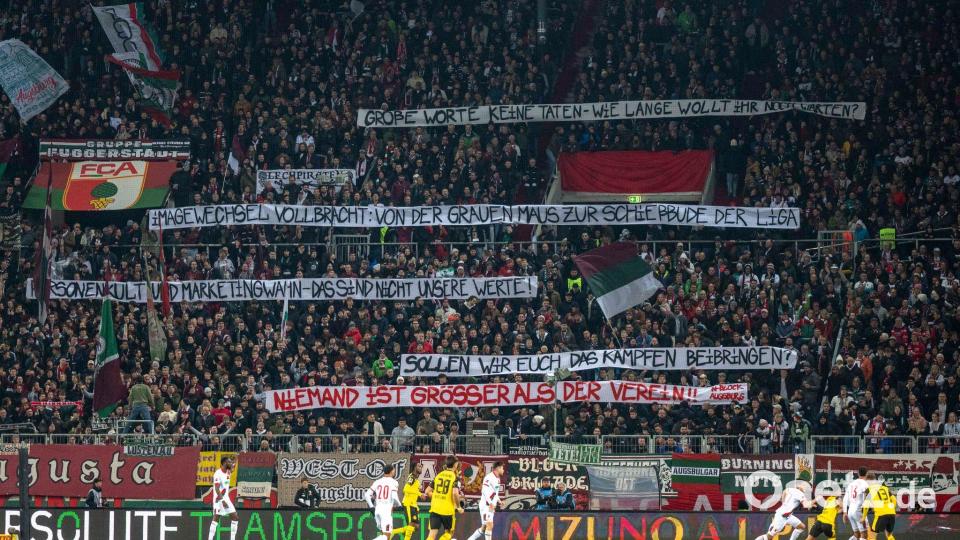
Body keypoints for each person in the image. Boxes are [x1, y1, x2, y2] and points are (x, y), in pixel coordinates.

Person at [754, 474, 813, 540]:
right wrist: (815, 501)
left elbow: (784, 493)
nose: (806, 488)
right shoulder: (800, 493)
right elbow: (806, 505)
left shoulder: (790, 489)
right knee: (768, 537)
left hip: (787, 515)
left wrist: (784, 504)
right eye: (805, 486)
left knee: (801, 527)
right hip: (782, 516)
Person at [365, 464, 408, 540]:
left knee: (384, 535)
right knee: (386, 536)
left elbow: (367, 495)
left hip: (377, 510)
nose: (394, 471)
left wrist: (371, 507)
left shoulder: (377, 481)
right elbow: (394, 496)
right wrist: (400, 505)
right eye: (394, 470)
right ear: (391, 471)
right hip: (386, 511)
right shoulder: (394, 482)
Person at [426, 455, 462, 540]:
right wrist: (458, 507)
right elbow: (455, 494)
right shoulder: (455, 477)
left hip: (435, 509)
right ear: (455, 465)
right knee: (449, 533)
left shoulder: (438, 475)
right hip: (447, 510)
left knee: (431, 535)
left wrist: (437, 497)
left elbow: (427, 491)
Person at [466, 461, 504, 540]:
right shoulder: (489, 477)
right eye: (502, 468)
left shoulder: (498, 478)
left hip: (490, 506)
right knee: (490, 525)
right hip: (486, 506)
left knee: (484, 528)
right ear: (498, 468)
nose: (503, 470)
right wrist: (490, 503)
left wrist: (499, 501)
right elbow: (484, 490)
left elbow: (495, 493)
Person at [209, 456, 238, 540]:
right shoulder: (218, 474)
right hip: (219, 499)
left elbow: (233, 466)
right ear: (225, 463)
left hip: (226, 498)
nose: (231, 464)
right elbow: (217, 489)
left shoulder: (228, 471)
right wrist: (222, 501)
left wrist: (237, 458)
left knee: (235, 517)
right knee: (216, 518)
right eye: (229, 462)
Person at [866, 473, 896, 540]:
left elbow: (867, 504)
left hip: (881, 514)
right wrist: (890, 508)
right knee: (889, 535)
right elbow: (894, 499)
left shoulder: (870, 488)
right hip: (892, 513)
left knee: (872, 532)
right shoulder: (884, 486)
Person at [843, 467, 870, 540]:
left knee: (856, 534)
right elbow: (866, 499)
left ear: (858, 474)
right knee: (864, 534)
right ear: (867, 474)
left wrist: (845, 512)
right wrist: (864, 515)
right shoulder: (865, 484)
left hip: (850, 511)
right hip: (858, 511)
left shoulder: (851, 484)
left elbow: (845, 498)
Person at [402, 462, 425, 540]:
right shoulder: (412, 477)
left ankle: (399, 531)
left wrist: (420, 493)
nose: (421, 468)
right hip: (408, 503)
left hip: (413, 504)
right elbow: (406, 489)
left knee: (416, 527)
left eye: (421, 467)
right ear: (415, 467)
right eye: (419, 466)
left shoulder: (416, 479)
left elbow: (412, 490)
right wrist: (419, 494)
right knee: (411, 524)